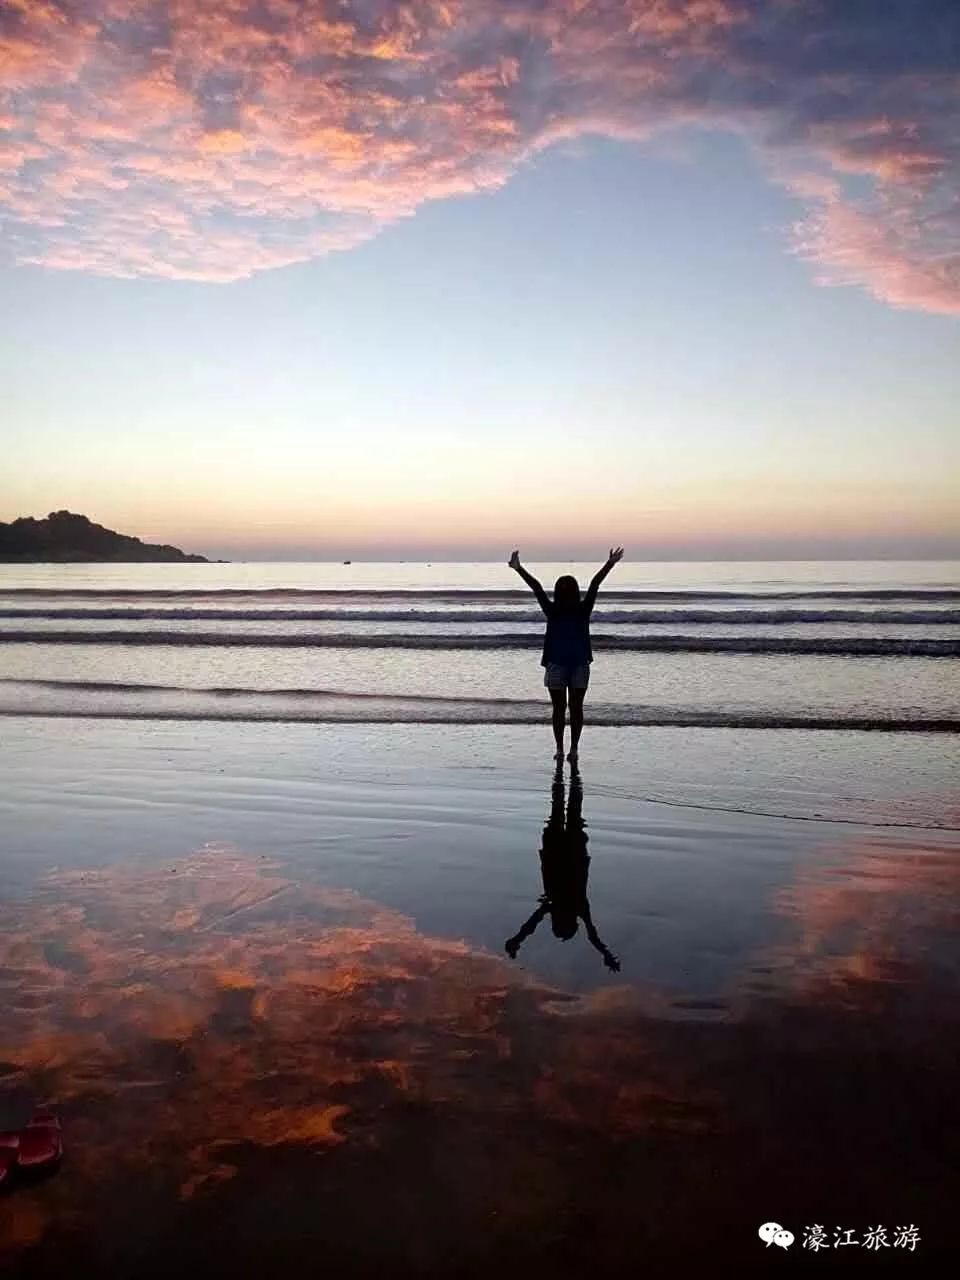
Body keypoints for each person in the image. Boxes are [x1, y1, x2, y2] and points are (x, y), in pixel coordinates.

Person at [508, 545, 624, 761]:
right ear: (575, 590)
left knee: (559, 709)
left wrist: (518, 568)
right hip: (579, 663)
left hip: (557, 664)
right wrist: (610, 563)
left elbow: (537, 588)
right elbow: (595, 584)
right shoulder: (583, 609)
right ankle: (573, 750)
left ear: (559, 592)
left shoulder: (553, 610)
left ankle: (561, 749)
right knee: (576, 709)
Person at [504, 763, 620, 972]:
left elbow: (532, 925)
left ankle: (569, 774)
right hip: (560, 854)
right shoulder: (562, 905)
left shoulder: (571, 907)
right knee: (561, 810)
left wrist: (606, 953)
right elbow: (533, 925)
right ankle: (568, 773)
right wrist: (605, 954)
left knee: (571, 810)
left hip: (569, 854)